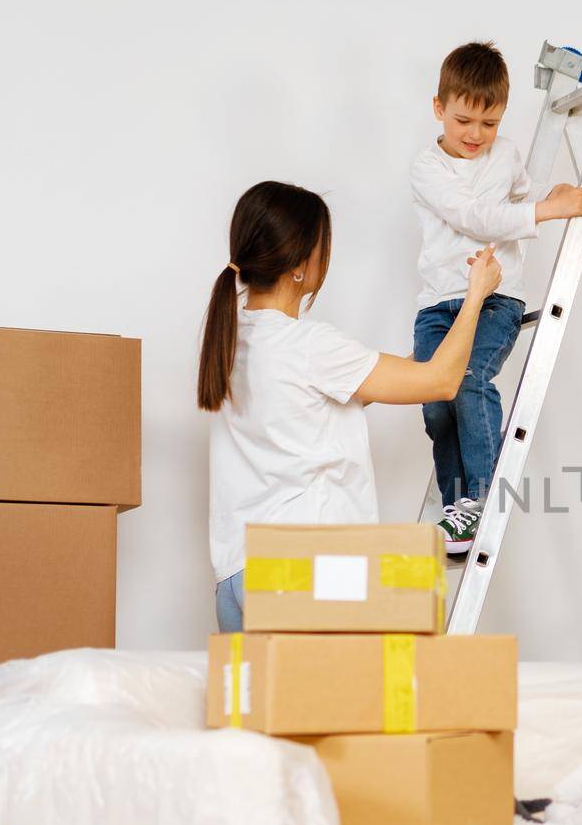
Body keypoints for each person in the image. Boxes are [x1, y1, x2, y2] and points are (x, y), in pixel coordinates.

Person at [199, 180, 501, 633]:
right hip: (305, 570)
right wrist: (476, 295)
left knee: (263, 705)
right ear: (301, 265)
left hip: (236, 579)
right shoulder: (310, 347)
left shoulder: (231, 341)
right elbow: (439, 381)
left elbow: (399, 371)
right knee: (356, 701)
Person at [408, 41, 582, 554]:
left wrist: (549, 197)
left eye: (488, 124)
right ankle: (456, 506)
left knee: (470, 378)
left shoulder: (506, 154)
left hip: (496, 299)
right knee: (434, 399)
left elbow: (518, 197)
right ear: (439, 109)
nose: (476, 135)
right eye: (463, 121)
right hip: (438, 307)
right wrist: (544, 213)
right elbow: (473, 217)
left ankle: (479, 498)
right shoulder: (427, 168)